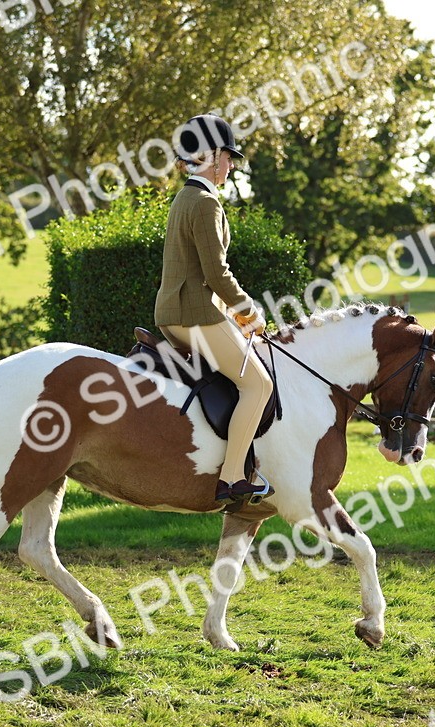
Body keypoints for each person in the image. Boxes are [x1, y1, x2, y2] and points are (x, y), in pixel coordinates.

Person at [155, 114, 273, 505]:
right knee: (259, 385)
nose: (232, 166)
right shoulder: (205, 203)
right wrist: (249, 313)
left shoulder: (184, 198)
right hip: (195, 314)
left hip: (174, 312)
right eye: (229, 157)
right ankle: (234, 476)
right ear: (212, 156)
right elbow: (217, 274)